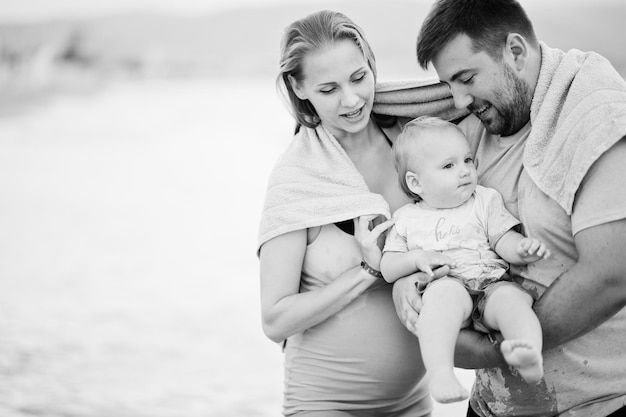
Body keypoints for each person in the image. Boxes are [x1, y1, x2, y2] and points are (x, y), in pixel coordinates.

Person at [390, 0, 626, 416]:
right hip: (490, 406)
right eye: (450, 87)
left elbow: (613, 272)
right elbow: (430, 216)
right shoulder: (472, 129)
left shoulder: (596, 114)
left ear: (515, 51)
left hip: (597, 404)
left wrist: (493, 350)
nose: (459, 101)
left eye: (466, 79)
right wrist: (406, 285)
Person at [257, 10, 453, 416]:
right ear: (299, 86)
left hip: (414, 402)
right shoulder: (297, 178)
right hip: (323, 402)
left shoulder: (414, 140)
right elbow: (275, 319)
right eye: (328, 89)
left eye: (359, 78)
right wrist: (368, 270)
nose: (351, 100)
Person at [380, 116, 549, 404]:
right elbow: (388, 268)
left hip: (491, 284)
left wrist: (522, 248)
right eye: (449, 165)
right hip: (447, 284)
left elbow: (502, 239)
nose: (465, 171)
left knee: (514, 302)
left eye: (468, 160)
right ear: (416, 182)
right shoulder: (407, 219)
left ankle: (529, 353)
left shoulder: (484, 200)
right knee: (438, 305)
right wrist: (416, 258)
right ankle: (440, 372)